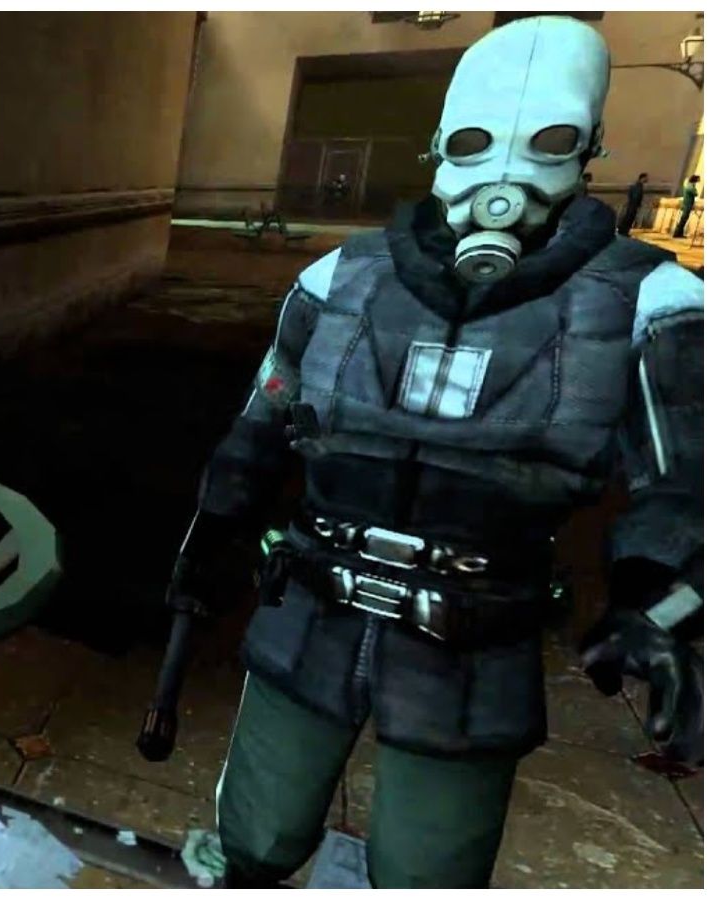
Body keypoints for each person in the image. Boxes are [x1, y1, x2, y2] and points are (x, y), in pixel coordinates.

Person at [149, 17, 703, 888]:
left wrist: (658, 610)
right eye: (477, 143)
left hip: (473, 642)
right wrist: (210, 533)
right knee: (253, 840)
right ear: (441, 145)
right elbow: (260, 424)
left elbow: (686, 494)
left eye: (547, 141)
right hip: (312, 611)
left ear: (588, 147)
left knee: (428, 871)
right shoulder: (340, 279)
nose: (504, 178)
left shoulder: (645, 304)